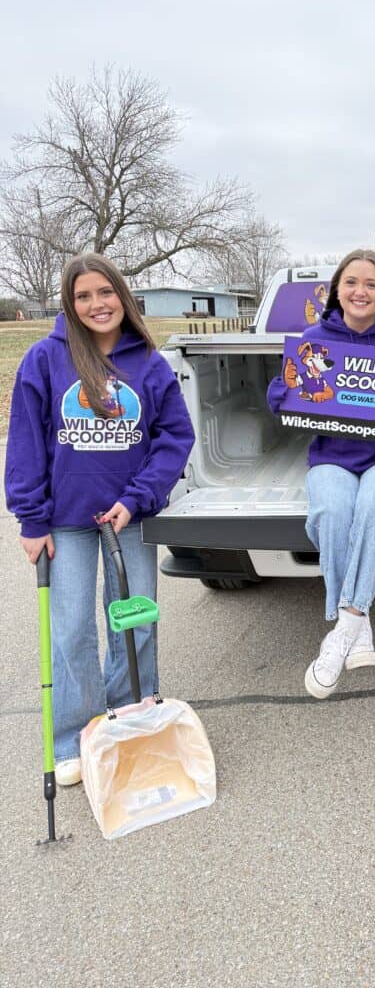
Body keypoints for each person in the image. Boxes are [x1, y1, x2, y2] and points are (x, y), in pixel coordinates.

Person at [5, 253, 194, 786]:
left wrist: (137, 498)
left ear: (124, 297)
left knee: (133, 623)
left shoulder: (150, 365)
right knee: (70, 631)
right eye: (83, 296)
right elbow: (24, 444)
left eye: (105, 293)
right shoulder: (45, 360)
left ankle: (130, 719)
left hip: (127, 518)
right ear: (70, 304)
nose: (97, 305)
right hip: (63, 521)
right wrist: (31, 519)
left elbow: (174, 438)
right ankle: (76, 737)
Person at [267, 249, 375, 699]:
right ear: (336, 290)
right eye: (351, 283)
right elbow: (278, 395)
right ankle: (358, 626)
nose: (360, 291)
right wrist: (288, 387)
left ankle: (342, 630)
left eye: (371, 284)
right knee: (332, 512)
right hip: (332, 457)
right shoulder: (313, 337)